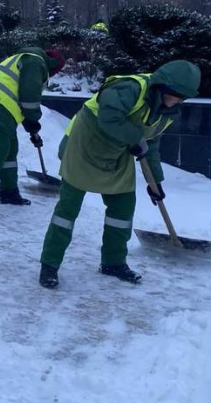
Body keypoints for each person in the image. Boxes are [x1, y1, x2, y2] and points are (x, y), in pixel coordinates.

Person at [38, 60, 201, 289]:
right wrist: (135, 139)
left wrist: (156, 182)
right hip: (84, 145)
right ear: (162, 86)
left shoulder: (168, 112)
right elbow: (109, 118)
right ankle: (49, 265)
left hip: (117, 152)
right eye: (175, 95)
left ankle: (113, 262)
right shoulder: (129, 88)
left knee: (123, 208)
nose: (177, 101)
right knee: (67, 210)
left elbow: (150, 144)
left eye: (182, 97)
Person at [0, 46, 66, 212]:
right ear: (52, 66)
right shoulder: (35, 63)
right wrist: (32, 121)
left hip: (0, 105)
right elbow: (29, 95)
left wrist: (31, 127)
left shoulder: (27, 59)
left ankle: (9, 191)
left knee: (10, 150)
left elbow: (21, 94)